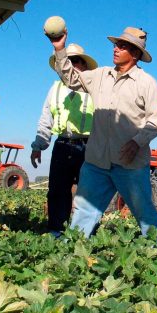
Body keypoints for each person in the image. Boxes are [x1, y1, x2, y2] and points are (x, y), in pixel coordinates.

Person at [49, 26, 157, 247]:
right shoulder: (100, 75)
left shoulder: (146, 82)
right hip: (96, 161)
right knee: (84, 210)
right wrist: (60, 49)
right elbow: (71, 79)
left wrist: (137, 141)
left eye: (122, 46)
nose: (116, 48)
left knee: (144, 212)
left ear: (135, 54)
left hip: (129, 163)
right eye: (116, 44)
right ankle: (72, 254)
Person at [31, 43, 97, 236]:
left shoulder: (93, 89)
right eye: (69, 61)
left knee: (88, 193)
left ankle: (87, 233)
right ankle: (56, 231)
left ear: (84, 65)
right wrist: (39, 145)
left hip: (89, 146)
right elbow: (46, 118)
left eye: (76, 61)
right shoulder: (55, 89)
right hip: (62, 144)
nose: (73, 65)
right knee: (58, 190)